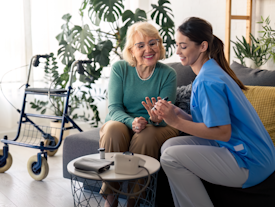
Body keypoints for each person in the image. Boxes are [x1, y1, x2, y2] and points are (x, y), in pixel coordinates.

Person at [152, 17, 275, 207]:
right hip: (239, 149)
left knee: (170, 157)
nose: (177, 52)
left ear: (202, 46)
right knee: (168, 147)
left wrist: (175, 122)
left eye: (183, 46)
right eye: (177, 45)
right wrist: (176, 113)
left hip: (250, 161)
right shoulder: (209, 73)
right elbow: (209, 123)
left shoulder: (208, 81)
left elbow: (222, 132)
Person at [99, 21, 179, 207]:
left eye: (153, 43)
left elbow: (165, 115)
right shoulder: (120, 68)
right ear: (131, 50)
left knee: (146, 136)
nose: (148, 49)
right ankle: (111, 198)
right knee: (112, 129)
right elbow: (114, 108)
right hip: (125, 121)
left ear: (159, 45)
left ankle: (133, 201)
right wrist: (132, 121)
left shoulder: (169, 74)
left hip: (158, 126)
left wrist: (156, 119)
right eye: (140, 45)